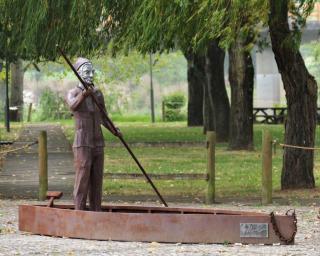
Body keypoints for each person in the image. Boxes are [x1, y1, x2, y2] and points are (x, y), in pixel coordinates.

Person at [66, 57, 120, 211]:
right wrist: (84, 94)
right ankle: (79, 212)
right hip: (82, 142)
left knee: (97, 180)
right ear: (78, 73)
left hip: (98, 141)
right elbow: (72, 106)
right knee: (82, 179)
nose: (90, 74)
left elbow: (104, 117)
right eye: (86, 72)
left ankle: (96, 212)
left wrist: (114, 130)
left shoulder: (98, 94)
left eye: (92, 72)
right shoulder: (73, 92)